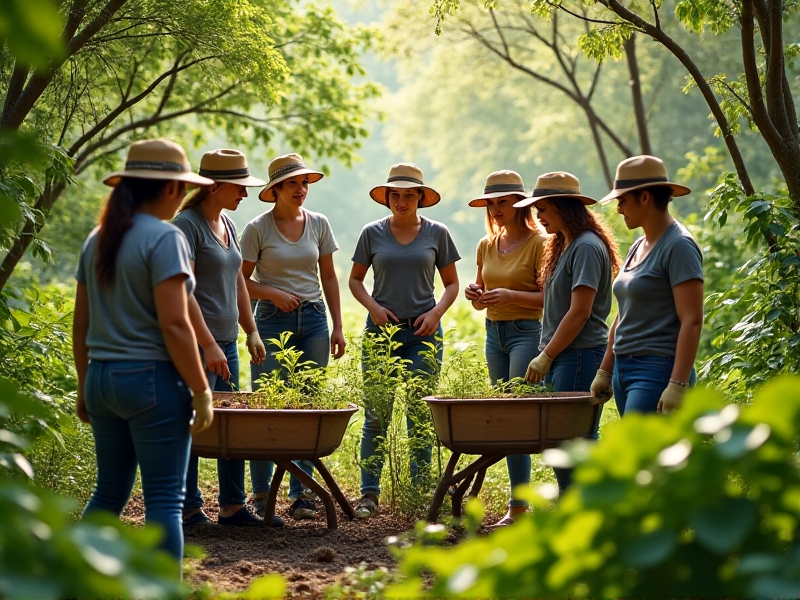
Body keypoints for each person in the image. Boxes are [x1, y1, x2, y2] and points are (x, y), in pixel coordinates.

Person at [72, 138, 214, 567]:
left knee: (108, 492)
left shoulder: (98, 238)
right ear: (170, 188)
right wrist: (201, 389)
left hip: (102, 381)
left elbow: (80, 325)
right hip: (152, 383)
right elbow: (174, 324)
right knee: (165, 502)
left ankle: (69, 582)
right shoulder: (165, 238)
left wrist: (84, 386)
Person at [173, 149, 282, 528]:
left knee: (231, 425)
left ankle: (232, 506)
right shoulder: (186, 226)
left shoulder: (228, 224)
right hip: (195, 344)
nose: (245, 195)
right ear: (214, 186)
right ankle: (187, 507)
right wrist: (206, 344)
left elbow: (238, 280)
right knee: (192, 420)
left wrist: (250, 331)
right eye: (239, 188)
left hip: (226, 343)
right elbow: (182, 292)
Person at [349, 163, 460, 519]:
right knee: (377, 413)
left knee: (419, 413)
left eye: (409, 194)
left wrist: (436, 314)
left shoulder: (437, 234)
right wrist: (374, 308)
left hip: (423, 332)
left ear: (420, 198)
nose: (401, 200)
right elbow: (354, 280)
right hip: (381, 331)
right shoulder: (372, 234)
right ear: (387, 198)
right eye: (395, 194)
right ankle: (369, 494)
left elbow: (452, 284)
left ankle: (421, 492)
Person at [241, 152, 345, 520]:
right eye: (292, 184)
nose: (301, 190)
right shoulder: (257, 229)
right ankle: (258, 496)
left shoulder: (319, 224)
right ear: (276, 189)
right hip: (270, 321)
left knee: (308, 407)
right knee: (265, 407)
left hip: (314, 319)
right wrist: (272, 293)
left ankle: (303, 496)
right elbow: (239, 282)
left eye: (304, 183)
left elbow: (329, 277)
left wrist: (338, 325)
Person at [518, 171, 619, 493]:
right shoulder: (564, 244)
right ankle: (579, 507)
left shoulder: (587, 247)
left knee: (572, 441)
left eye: (543, 210)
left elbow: (580, 311)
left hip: (579, 354)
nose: (539, 218)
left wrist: (545, 356)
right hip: (565, 354)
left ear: (564, 206)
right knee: (565, 441)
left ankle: (582, 508)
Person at [463, 170, 547, 526]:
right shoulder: (486, 244)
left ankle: (519, 505)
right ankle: (519, 502)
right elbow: (482, 297)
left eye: (503, 201)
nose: (496, 209)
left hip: (526, 332)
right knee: (505, 414)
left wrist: (511, 295)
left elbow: (547, 298)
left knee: (517, 416)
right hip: (493, 333)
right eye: (491, 203)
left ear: (519, 203)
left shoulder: (540, 242)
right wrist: (475, 296)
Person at [591, 155, 703, 415]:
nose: (618, 208)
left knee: (642, 453)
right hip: (624, 368)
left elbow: (692, 320)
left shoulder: (679, 246)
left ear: (645, 197)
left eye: (622, 200)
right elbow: (624, 313)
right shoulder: (637, 245)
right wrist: (605, 370)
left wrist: (677, 383)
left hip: (657, 368)